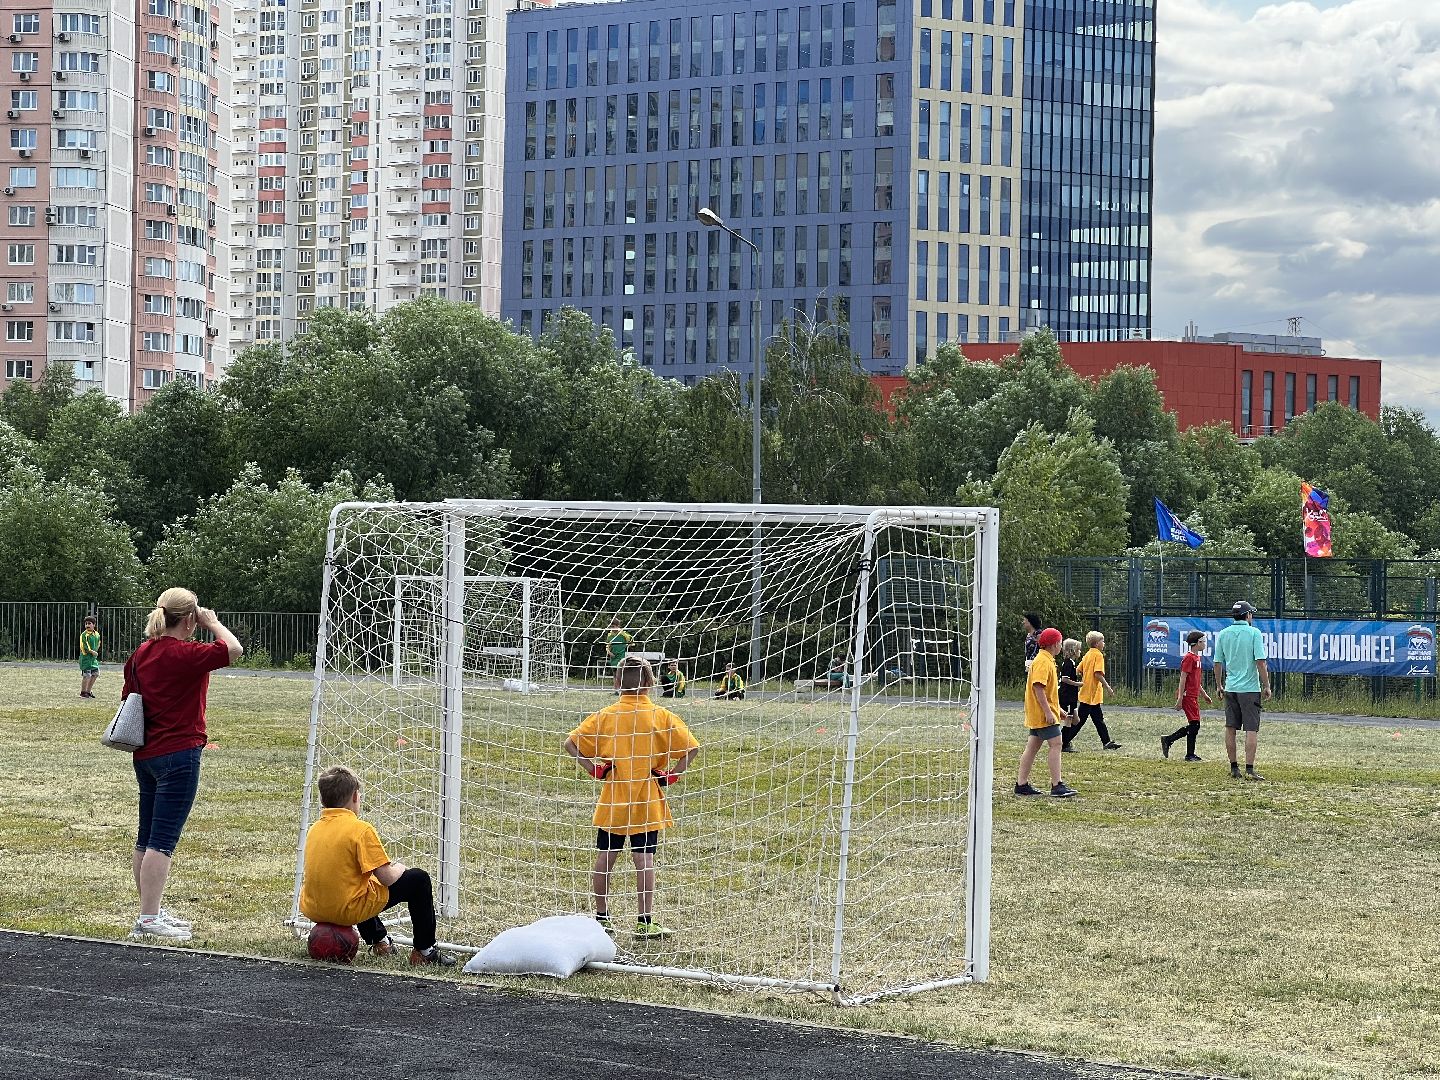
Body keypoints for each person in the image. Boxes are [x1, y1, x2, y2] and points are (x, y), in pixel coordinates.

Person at [122, 588, 243, 942]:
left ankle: (150, 910)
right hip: (179, 753)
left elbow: (129, 698)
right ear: (190, 619)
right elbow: (233, 649)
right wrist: (214, 623)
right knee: (162, 840)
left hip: (146, 754)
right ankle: (148, 919)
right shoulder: (185, 653)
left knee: (146, 837)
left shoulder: (142, 653)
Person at [564, 656, 699, 937]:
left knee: (606, 855)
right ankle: (645, 921)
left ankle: (601, 918)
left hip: (614, 795)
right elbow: (692, 749)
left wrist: (594, 769)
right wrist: (670, 776)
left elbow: (570, 743)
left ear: (616, 683)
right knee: (645, 859)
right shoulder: (661, 716)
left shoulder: (606, 715)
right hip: (646, 797)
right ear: (651, 684)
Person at [298, 765, 455, 966]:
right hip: (345, 910)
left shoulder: (314, 829)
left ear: (322, 799)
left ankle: (380, 941)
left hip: (314, 908)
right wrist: (400, 867)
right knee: (418, 879)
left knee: (363, 881)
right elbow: (387, 878)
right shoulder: (361, 830)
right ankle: (425, 951)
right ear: (355, 797)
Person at [1015, 628, 1078, 798]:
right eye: (1059, 643)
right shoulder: (1043, 661)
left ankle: (1021, 784)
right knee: (1056, 744)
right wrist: (1049, 712)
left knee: (1032, 747)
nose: (1060, 646)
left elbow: (1048, 693)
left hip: (1040, 713)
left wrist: (1059, 710)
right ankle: (1056, 785)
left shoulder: (1045, 659)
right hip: (1043, 714)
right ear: (1054, 644)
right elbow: (1038, 687)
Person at [1213, 600, 1271, 781]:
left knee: (1230, 727)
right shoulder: (1254, 633)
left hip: (1231, 687)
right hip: (1250, 689)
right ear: (1247, 616)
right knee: (1251, 729)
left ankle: (1234, 767)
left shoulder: (1223, 634)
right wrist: (1266, 685)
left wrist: (1219, 685)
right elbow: (1260, 662)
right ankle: (1250, 769)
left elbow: (1217, 663)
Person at [1062, 630, 1122, 752]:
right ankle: (1063, 741)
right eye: (1102, 641)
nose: (1104, 643)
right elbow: (1098, 674)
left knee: (1098, 719)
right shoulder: (1098, 655)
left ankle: (1106, 742)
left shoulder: (1088, 654)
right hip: (1091, 694)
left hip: (1087, 693)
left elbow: (1078, 670)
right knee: (1079, 721)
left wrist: (1080, 681)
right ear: (1096, 643)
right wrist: (1108, 688)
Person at [1162, 630, 1213, 762]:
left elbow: (1195, 681)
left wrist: (1204, 694)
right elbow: (1183, 678)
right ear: (1197, 643)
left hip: (1193, 696)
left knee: (1194, 724)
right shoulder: (1189, 658)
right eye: (1203, 642)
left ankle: (1175, 744)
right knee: (1195, 724)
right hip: (1187, 696)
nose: (1205, 644)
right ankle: (1181, 748)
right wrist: (1180, 698)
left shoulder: (1197, 658)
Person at [1057, 638, 1082, 728]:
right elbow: (1064, 679)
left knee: (1076, 720)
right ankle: (1064, 741)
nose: (1080, 651)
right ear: (1073, 650)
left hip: (1072, 695)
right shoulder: (1068, 663)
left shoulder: (1072, 663)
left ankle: (1065, 739)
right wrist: (1078, 684)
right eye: (1078, 649)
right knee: (1068, 719)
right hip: (1067, 695)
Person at [78, 615, 101, 699]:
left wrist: (96, 651)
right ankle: (83, 692)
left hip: (93, 659)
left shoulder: (97, 634)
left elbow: (98, 643)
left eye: (89, 623)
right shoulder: (84, 635)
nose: (87, 625)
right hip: (86, 658)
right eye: (86, 624)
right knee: (86, 675)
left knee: (95, 673)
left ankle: (88, 691)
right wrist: (92, 652)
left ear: (94, 625)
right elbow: (84, 646)